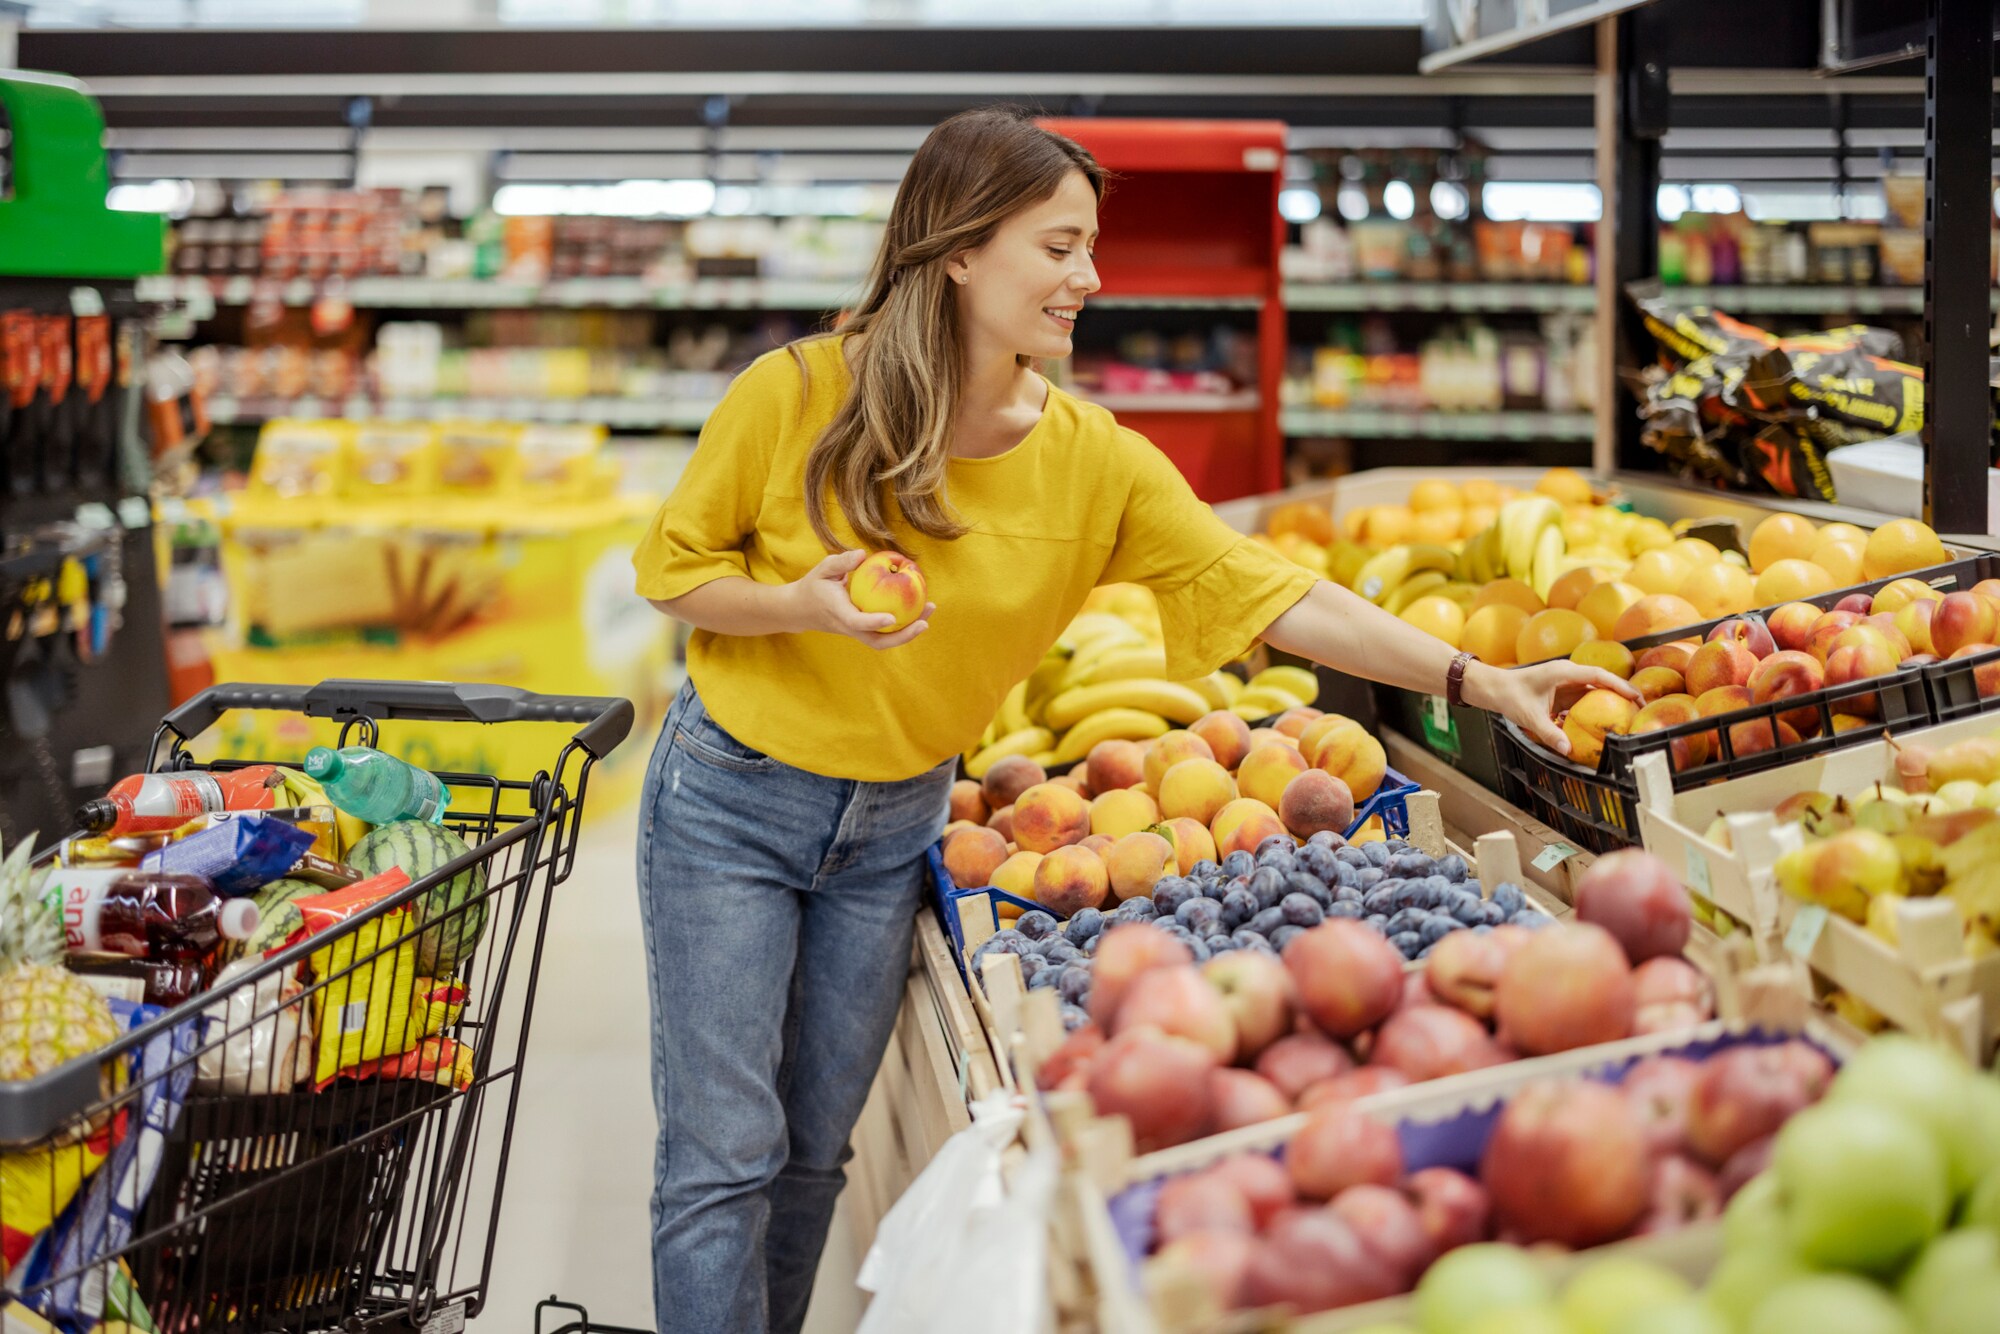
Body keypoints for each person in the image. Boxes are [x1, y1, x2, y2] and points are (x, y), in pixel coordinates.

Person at [631, 105, 1632, 1334]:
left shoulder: (1092, 461)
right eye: (1056, 248)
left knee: (809, 1155)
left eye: (1088, 249)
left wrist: (1482, 680)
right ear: (956, 248)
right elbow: (671, 570)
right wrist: (797, 603)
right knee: (724, 1154)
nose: (1087, 279)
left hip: (893, 823)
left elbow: (1280, 589)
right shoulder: (794, 394)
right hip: (731, 799)